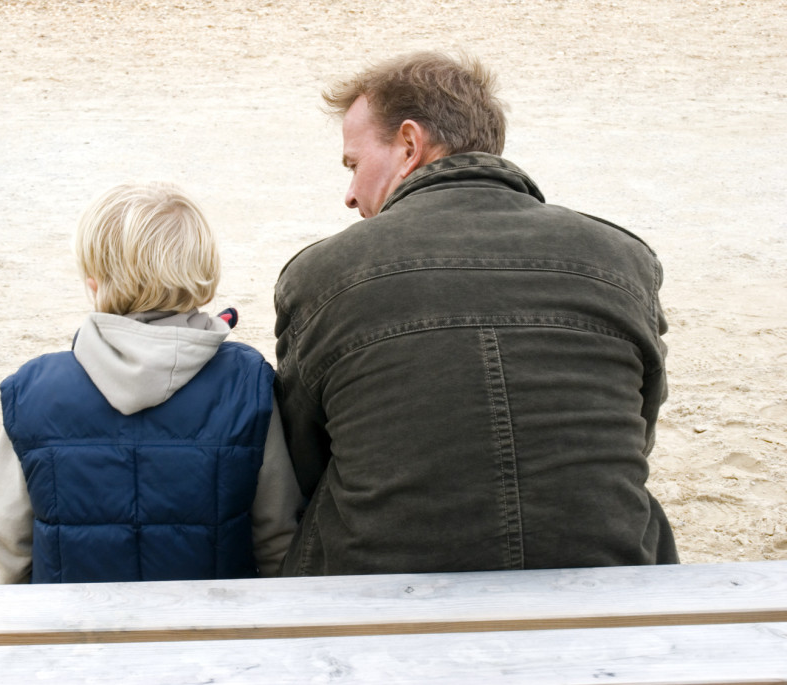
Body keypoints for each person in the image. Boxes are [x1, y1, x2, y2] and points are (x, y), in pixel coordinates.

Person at [274, 51, 678, 576]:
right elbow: (636, 430)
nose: (351, 195)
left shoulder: (322, 274)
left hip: (383, 589)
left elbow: (304, 459)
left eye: (354, 164)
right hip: (607, 571)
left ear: (409, 145)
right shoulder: (623, 258)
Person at [0, 182, 301, 584]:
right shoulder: (247, 382)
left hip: (77, 639)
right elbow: (276, 534)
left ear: (95, 279)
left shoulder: (32, 390)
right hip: (215, 636)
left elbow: (10, 547)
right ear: (201, 273)